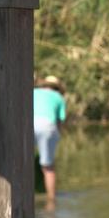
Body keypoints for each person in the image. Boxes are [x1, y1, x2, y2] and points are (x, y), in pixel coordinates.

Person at [32, 76, 68, 207]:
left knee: (24, 164)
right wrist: (57, 136)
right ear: (58, 88)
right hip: (48, 126)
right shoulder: (59, 98)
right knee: (48, 167)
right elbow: (60, 121)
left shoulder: (33, 92)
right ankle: (51, 201)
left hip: (29, 123)